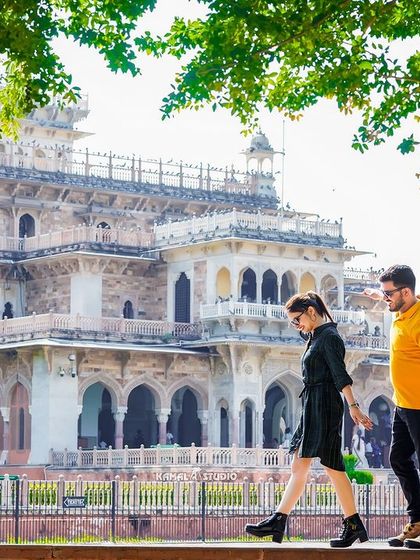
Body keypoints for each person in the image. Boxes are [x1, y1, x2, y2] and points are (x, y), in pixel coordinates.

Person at [245, 291, 373, 547]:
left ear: (311, 312)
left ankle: (352, 525)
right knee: (300, 465)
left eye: (297, 319)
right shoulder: (316, 337)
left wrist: (354, 406)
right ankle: (279, 521)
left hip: (324, 404)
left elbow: (340, 375)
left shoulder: (329, 338)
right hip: (312, 403)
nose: (296, 326)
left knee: (332, 466)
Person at [364, 265, 420, 548]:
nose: (385, 299)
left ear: (406, 292)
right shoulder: (401, 313)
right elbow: (392, 298)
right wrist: (380, 295)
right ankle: (418, 519)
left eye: (389, 294)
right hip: (403, 405)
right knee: (398, 459)